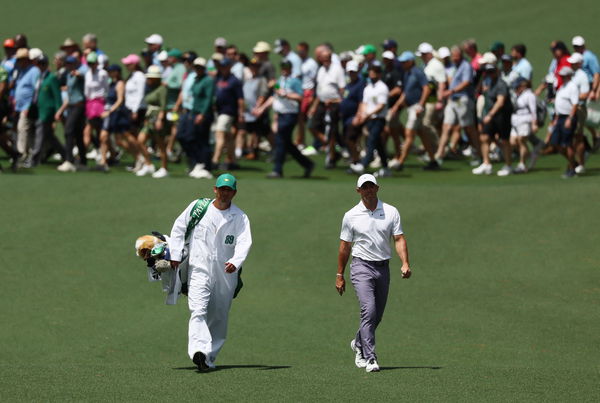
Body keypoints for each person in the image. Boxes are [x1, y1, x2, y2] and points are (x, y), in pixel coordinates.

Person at [169, 173, 252, 371]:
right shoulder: (199, 207)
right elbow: (179, 228)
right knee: (197, 310)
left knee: (219, 315)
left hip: (225, 273)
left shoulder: (240, 217)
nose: (224, 193)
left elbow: (244, 242)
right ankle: (198, 351)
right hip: (199, 269)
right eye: (221, 189)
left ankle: (209, 357)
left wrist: (235, 261)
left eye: (229, 190)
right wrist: (175, 253)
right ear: (214, 189)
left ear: (234, 193)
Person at [336, 173, 411, 373]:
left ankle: (359, 342)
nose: (368, 190)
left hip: (383, 268)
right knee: (368, 310)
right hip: (361, 266)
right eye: (364, 187)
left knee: (376, 315)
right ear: (358, 191)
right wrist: (339, 275)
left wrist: (405, 263)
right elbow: (345, 246)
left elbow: (399, 238)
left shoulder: (391, 211)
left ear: (377, 188)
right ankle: (370, 358)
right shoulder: (351, 215)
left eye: (371, 186)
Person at [255, 60, 314, 178]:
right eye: (282, 67)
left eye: (286, 67)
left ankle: (277, 169)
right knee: (286, 143)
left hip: (289, 114)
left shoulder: (295, 81)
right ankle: (307, 164)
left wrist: (286, 95)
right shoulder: (280, 80)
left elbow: (300, 97)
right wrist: (262, 108)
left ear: (290, 68)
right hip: (281, 114)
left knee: (280, 140)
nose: (284, 69)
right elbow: (275, 96)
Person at [391, 51, 439, 170]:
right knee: (422, 134)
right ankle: (433, 161)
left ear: (410, 61)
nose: (402, 64)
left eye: (404, 62)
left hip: (416, 107)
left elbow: (426, 89)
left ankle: (400, 162)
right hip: (411, 107)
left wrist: (420, 105)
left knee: (409, 133)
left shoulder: (417, 72)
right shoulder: (407, 73)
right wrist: (397, 105)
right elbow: (406, 93)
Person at [435, 46, 480, 164]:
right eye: (453, 56)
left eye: (456, 56)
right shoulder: (454, 66)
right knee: (446, 127)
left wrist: (451, 91)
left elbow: (466, 82)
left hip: (463, 99)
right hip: (452, 100)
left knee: (468, 128)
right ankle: (439, 155)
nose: (454, 58)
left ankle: (478, 154)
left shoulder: (466, 66)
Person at [349, 62, 389, 176]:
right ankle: (386, 168)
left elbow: (381, 106)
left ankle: (363, 164)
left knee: (371, 141)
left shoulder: (382, 87)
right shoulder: (368, 88)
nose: (371, 76)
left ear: (379, 74)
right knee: (378, 144)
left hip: (378, 119)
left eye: (373, 74)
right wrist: (362, 114)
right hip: (369, 119)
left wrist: (368, 114)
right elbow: (364, 103)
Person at [472, 64, 513, 176]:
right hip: (491, 116)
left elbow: (500, 101)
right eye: (488, 72)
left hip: (501, 116)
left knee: (504, 140)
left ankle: (508, 165)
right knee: (484, 137)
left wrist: (490, 115)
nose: (490, 74)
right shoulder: (490, 83)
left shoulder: (501, 84)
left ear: (496, 72)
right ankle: (487, 163)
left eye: (491, 72)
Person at [308, 48, 345, 168]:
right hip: (322, 103)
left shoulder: (337, 69)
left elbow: (342, 88)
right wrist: (313, 106)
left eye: (326, 59)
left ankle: (331, 157)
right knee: (312, 126)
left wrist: (338, 101)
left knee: (331, 131)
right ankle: (332, 147)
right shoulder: (321, 70)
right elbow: (320, 90)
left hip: (333, 104)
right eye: (322, 59)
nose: (324, 61)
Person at [97, 64, 136, 171]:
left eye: (111, 71)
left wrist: (109, 111)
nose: (109, 73)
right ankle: (103, 161)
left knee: (120, 139)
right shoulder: (111, 84)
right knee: (103, 137)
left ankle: (137, 156)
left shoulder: (119, 84)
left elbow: (120, 100)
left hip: (117, 114)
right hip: (109, 113)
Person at [31, 54, 65, 166]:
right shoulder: (39, 77)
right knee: (49, 136)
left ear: (46, 64)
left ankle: (34, 160)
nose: (40, 66)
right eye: (39, 64)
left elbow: (57, 96)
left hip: (47, 111)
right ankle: (66, 155)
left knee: (40, 134)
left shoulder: (51, 78)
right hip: (39, 109)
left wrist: (58, 111)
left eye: (42, 64)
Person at [135, 65, 168, 177]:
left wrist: (160, 119)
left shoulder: (162, 89)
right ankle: (149, 164)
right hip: (149, 118)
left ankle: (164, 168)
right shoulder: (150, 88)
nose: (148, 79)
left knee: (160, 144)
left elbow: (163, 106)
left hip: (157, 117)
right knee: (140, 140)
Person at [212, 58, 244, 170]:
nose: (222, 69)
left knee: (219, 134)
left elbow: (240, 99)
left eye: (224, 66)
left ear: (229, 67)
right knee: (228, 137)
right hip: (219, 111)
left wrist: (241, 114)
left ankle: (215, 160)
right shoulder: (219, 78)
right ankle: (232, 160)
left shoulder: (234, 80)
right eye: (221, 66)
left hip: (228, 112)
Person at [13, 48, 40, 167]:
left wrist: (30, 105)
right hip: (19, 106)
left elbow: (36, 89)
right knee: (27, 132)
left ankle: (21, 155)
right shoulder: (21, 70)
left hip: (28, 106)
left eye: (20, 60)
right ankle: (29, 155)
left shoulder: (34, 71)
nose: (18, 62)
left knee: (22, 129)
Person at [551, 66, 579, 178]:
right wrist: (556, 119)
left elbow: (575, 104)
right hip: (560, 117)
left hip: (568, 117)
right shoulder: (562, 87)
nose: (561, 77)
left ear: (568, 75)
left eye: (563, 75)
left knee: (568, 144)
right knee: (555, 143)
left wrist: (570, 119)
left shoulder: (572, 87)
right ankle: (573, 162)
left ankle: (572, 169)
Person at [567, 53, 591, 174]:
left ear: (580, 63)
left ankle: (581, 164)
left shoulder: (582, 76)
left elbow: (585, 94)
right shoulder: (571, 74)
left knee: (578, 137)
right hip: (569, 109)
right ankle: (574, 162)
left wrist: (572, 97)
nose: (571, 64)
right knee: (570, 138)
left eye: (574, 62)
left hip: (579, 109)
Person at [83, 52, 109, 159]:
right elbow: (86, 90)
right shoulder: (87, 74)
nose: (91, 65)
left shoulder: (102, 73)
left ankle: (82, 155)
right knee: (94, 129)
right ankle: (104, 151)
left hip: (99, 103)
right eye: (89, 63)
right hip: (90, 103)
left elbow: (106, 89)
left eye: (93, 63)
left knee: (93, 129)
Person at [340, 60, 366, 166]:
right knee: (346, 138)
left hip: (353, 117)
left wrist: (358, 116)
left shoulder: (360, 84)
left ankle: (356, 160)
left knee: (350, 139)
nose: (352, 74)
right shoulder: (349, 84)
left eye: (353, 72)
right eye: (350, 72)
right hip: (345, 117)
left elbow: (361, 102)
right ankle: (354, 158)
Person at [381, 50, 404, 169]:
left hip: (393, 107)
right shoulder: (384, 72)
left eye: (387, 59)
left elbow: (398, 89)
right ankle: (383, 154)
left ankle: (398, 155)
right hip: (385, 108)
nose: (385, 61)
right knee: (386, 131)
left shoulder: (395, 73)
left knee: (393, 132)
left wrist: (386, 95)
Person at [510, 77, 538, 173]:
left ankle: (522, 164)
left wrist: (534, 123)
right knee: (513, 142)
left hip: (525, 120)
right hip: (515, 121)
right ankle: (530, 155)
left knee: (522, 140)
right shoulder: (518, 95)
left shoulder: (529, 95)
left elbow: (533, 110)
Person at [295, 41, 318, 148]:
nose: (299, 53)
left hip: (308, 92)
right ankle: (300, 141)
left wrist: (312, 96)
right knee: (300, 118)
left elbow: (314, 80)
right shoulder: (298, 62)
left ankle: (310, 142)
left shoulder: (311, 63)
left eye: (301, 51)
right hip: (300, 92)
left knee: (306, 118)